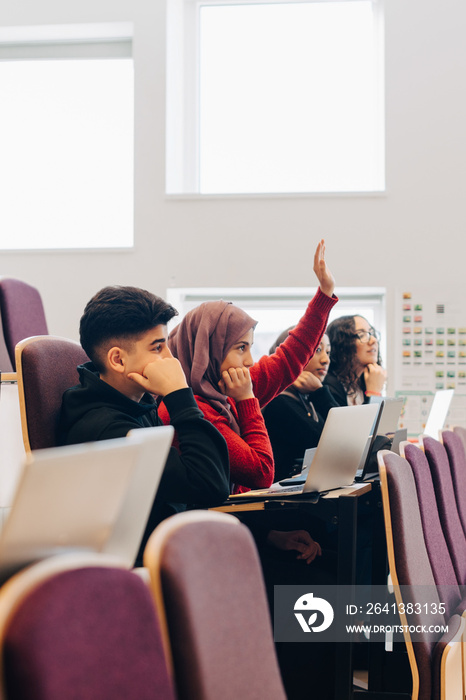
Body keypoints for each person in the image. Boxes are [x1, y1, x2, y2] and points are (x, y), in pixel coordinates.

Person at [57, 286, 230, 564]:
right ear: (118, 359)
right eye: (158, 348)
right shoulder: (108, 431)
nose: (170, 360)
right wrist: (179, 396)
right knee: (309, 581)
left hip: (176, 547)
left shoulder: (134, 403)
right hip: (149, 570)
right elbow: (209, 484)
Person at [158, 240, 337, 497]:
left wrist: (324, 294)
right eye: (241, 348)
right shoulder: (189, 409)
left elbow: (289, 357)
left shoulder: (223, 387)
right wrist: (246, 399)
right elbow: (261, 472)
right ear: (208, 351)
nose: (251, 360)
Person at [262, 330, 339, 481]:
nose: (326, 360)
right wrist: (320, 392)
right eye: (317, 350)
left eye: (328, 352)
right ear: (292, 354)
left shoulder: (305, 398)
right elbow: (336, 443)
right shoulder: (280, 402)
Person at [324, 314, 387, 406]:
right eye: (362, 335)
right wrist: (373, 392)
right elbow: (364, 421)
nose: (373, 340)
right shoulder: (329, 386)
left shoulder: (363, 382)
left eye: (371, 333)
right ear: (343, 345)